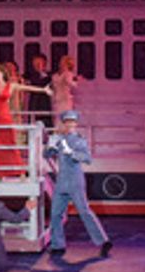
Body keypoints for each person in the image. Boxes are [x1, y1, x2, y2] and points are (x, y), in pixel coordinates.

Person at [45, 110, 111, 256]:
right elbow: (47, 156)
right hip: (62, 181)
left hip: (75, 180)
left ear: (76, 124)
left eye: (72, 122)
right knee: (55, 214)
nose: (70, 125)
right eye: (67, 122)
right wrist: (50, 147)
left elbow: (88, 159)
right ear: (64, 123)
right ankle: (58, 245)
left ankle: (104, 241)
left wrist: (72, 153)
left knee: (84, 211)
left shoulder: (80, 140)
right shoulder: (59, 139)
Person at [23, 54, 53, 129]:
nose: (37, 65)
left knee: (45, 124)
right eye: (35, 63)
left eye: (39, 63)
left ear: (44, 63)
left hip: (45, 103)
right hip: (34, 103)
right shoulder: (29, 75)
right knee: (33, 124)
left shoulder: (50, 75)